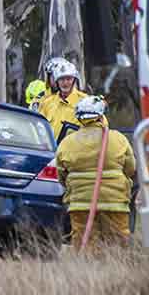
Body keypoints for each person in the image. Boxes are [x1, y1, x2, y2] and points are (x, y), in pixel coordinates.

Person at [54, 95, 135, 251]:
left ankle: (90, 273)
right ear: (101, 115)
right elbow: (130, 168)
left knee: (86, 246)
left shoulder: (67, 143)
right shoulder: (118, 139)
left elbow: (61, 174)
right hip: (115, 202)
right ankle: (116, 273)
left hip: (80, 204)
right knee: (117, 247)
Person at [38, 57, 88, 143]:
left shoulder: (86, 102)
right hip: (51, 152)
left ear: (74, 80)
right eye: (61, 79)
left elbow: (99, 130)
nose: (65, 83)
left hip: (75, 152)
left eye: (68, 79)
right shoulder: (46, 103)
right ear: (57, 81)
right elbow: (38, 129)